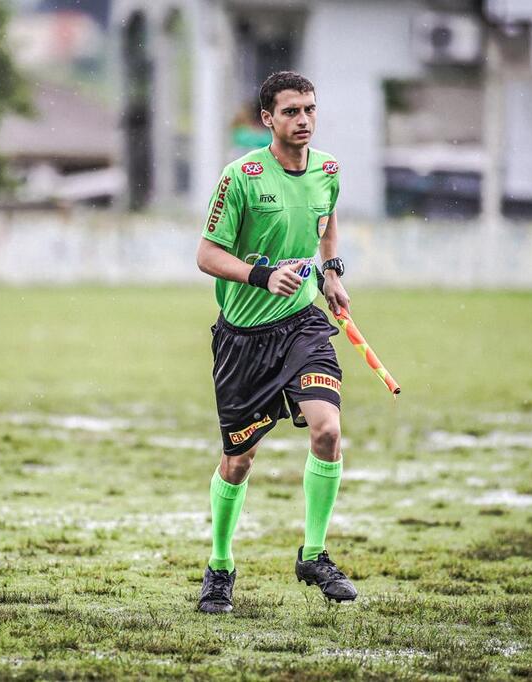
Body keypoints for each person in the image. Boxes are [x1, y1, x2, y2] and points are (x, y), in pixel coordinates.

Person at [195, 71, 357, 614]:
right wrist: (262, 277)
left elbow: (326, 222)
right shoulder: (239, 177)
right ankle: (220, 566)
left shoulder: (329, 170)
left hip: (302, 324)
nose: (303, 120)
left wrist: (331, 274)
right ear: (268, 119)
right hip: (242, 338)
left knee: (328, 430)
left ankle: (314, 553)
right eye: (291, 111)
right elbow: (206, 256)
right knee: (238, 462)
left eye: (309, 109)